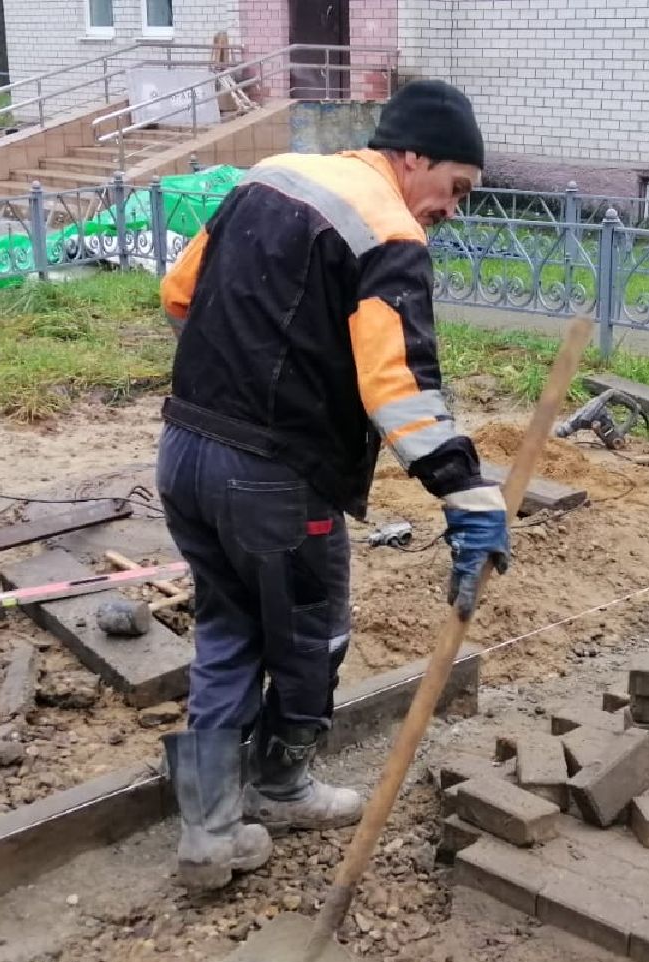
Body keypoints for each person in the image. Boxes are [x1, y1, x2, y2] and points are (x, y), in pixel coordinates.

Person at [154, 80, 509, 892]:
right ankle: (281, 788)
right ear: (412, 156)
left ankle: (208, 833)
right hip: (272, 479)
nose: (450, 210)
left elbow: (179, 296)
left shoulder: (269, 178)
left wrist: (237, 373)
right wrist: (467, 497)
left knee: (227, 630)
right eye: (453, 188)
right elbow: (399, 389)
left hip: (184, 450)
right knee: (309, 635)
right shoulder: (387, 231)